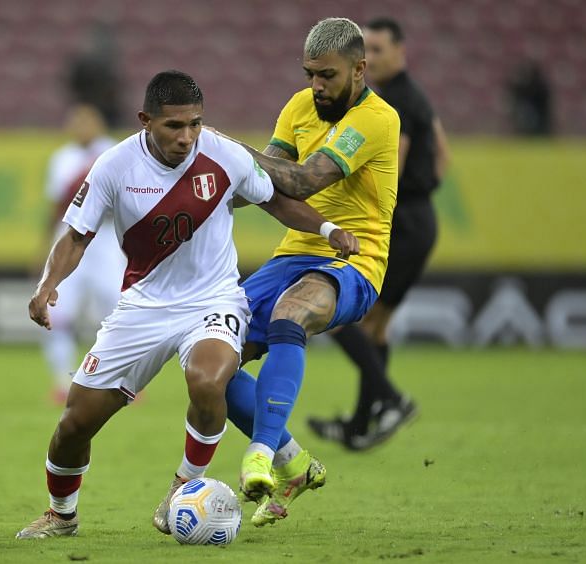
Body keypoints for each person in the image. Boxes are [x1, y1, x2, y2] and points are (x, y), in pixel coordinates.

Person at [15, 70, 359, 539]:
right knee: (76, 424)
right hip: (143, 306)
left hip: (213, 299)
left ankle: (183, 488)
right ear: (145, 121)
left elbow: (276, 201)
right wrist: (47, 284)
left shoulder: (225, 155)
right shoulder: (115, 166)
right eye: (174, 126)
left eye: (195, 124)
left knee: (208, 378)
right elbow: (76, 235)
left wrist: (327, 231)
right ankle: (61, 515)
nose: (187, 137)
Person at [213, 18, 399, 524]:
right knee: (210, 359)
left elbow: (299, 180)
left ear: (359, 70)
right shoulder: (299, 107)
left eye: (327, 76)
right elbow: (263, 185)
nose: (316, 85)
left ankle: (260, 452)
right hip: (293, 253)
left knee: (291, 313)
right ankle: (293, 464)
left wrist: (224, 148)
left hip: (354, 260)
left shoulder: (378, 119)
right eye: (309, 73)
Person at [307, 17, 450, 450]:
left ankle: (390, 400)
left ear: (400, 52)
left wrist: (383, 203)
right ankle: (362, 423)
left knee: (343, 315)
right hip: (419, 218)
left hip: (401, 221)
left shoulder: (394, 105)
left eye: (379, 49)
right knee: (376, 328)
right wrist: (426, 193)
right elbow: (442, 152)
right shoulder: (413, 97)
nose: (369, 57)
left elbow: (397, 163)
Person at [40, 104, 125, 404]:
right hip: (67, 238)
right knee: (56, 313)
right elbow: (54, 207)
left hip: (104, 241)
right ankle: (62, 381)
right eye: (77, 121)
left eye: (88, 121)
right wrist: (42, 249)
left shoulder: (113, 152)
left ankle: (124, 382)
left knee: (119, 311)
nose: (82, 127)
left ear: (100, 124)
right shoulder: (61, 158)